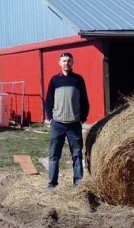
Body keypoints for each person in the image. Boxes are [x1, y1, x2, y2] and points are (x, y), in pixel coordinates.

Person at [45, 52, 89, 189]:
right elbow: (48, 102)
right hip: (57, 124)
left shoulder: (78, 80)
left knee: (76, 155)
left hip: (74, 124)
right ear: (59, 63)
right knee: (54, 155)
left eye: (69, 61)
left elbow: (84, 102)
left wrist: (82, 119)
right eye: (64, 61)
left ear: (72, 62)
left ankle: (78, 183)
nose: (66, 63)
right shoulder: (54, 80)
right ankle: (52, 183)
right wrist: (51, 119)